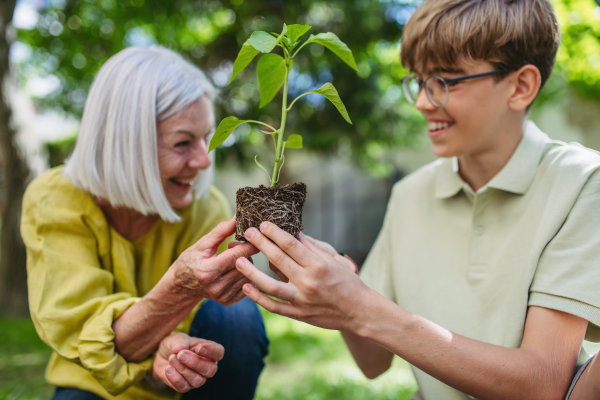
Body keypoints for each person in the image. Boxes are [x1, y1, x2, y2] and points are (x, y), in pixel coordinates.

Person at [231, 0, 600, 399]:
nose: (423, 102)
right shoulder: (410, 195)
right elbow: (373, 363)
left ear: (521, 85)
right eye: (420, 82)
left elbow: (542, 384)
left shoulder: (580, 182)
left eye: (446, 81)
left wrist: (363, 308)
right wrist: (336, 289)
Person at [21, 46, 268, 400]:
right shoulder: (55, 198)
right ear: (126, 144)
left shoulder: (205, 206)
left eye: (206, 138)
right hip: (95, 386)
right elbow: (78, 328)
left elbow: (206, 325)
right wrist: (180, 287)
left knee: (237, 317)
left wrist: (173, 348)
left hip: (184, 387)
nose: (202, 160)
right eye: (183, 142)